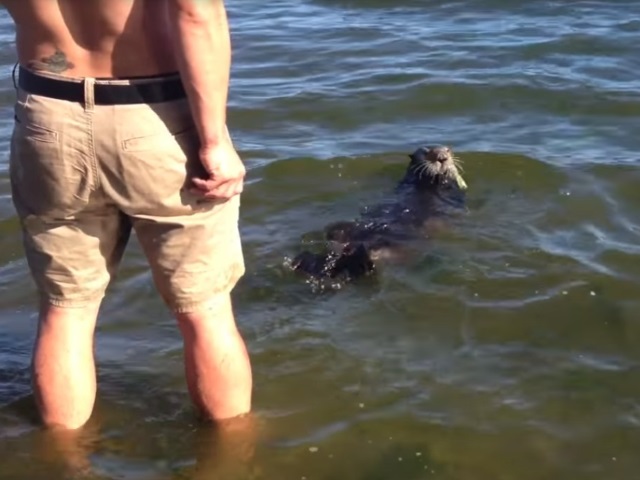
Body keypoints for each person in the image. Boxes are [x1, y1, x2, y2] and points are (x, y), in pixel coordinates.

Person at [1, 0, 253, 430]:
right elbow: (197, 13)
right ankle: (230, 459)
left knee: (67, 309)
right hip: (156, 112)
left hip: (48, 111)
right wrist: (214, 141)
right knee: (204, 309)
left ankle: (63, 463)